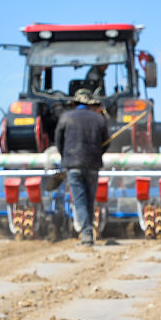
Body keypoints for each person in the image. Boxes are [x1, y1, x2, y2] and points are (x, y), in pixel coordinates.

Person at [55, 90, 109, 245]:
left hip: (73, 165)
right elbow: (106, 142)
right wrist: (96, 153)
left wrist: (66, 156)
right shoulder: (99, 119)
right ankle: (88, 231)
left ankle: (86, 233)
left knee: (79, 199)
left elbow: (59, 142)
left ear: (74, 104)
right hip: (93, 164)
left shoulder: (65, 118)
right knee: (89, 200)